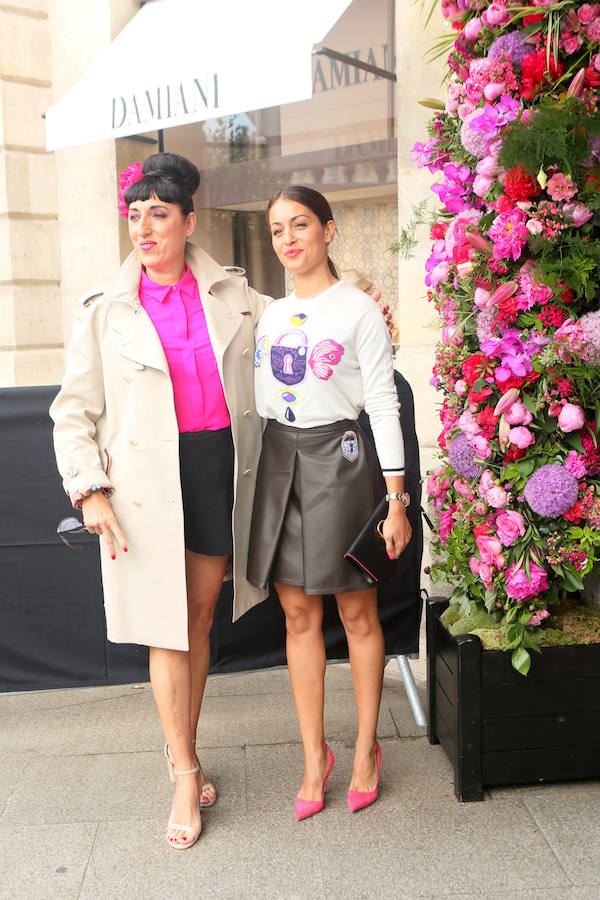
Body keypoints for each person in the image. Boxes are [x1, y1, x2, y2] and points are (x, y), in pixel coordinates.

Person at [50, 152, 272, 850]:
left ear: (188, 221)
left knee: (199, 618)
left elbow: (300, 325)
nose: (143, 228)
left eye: (158, 214)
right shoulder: (105, 309)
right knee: (163, 625)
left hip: (215, 468)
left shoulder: (235, 293)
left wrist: (359, 301)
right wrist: (89, 489)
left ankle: (184, 746)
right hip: (143, 484)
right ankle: (184, 770)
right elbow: (72, 412)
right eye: (135, 215)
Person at [248, 185, 412, 820]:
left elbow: (383, 404)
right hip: (279, 462)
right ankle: (315, 755)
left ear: (329, 230)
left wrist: (396, 500)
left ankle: (368, 748)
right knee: (297, 617)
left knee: (357, 614)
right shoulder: (268, 315)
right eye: (277, 230)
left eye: (300, 225)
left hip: (342, 466)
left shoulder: (359, 312)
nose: (289, 239)